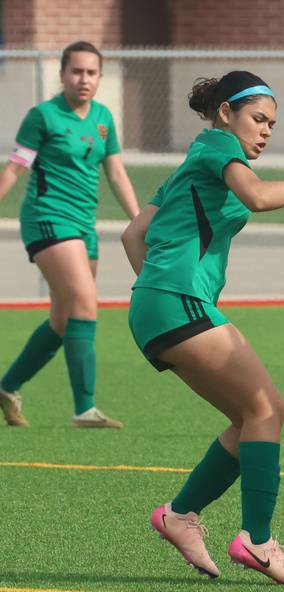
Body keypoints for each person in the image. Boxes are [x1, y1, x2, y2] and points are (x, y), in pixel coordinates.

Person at [121, 71, 284, 585]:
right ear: (225, 113)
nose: (265, 131)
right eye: (258, 119)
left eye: (272, 124)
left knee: (250, 419)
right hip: (176, 302)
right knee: (267, 409)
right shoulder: (220, 147)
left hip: (159, 304)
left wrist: (155, 289)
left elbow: (134, 234)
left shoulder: (194, 159)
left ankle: (179, 516)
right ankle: (257, 541)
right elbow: (258, 197)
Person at [0, 41, 139, 429]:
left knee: (64, 320)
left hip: (83, 225)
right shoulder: (43, 116)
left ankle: (7, 387)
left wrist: (139, 219)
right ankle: (85, 409)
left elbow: (116, 173)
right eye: (76, 71)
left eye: (91, 72)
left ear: (100, 77)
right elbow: (15, 167)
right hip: (47, 218)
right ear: (62, 75)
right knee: (84, 304)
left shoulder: (103, 118)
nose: (84, 79)